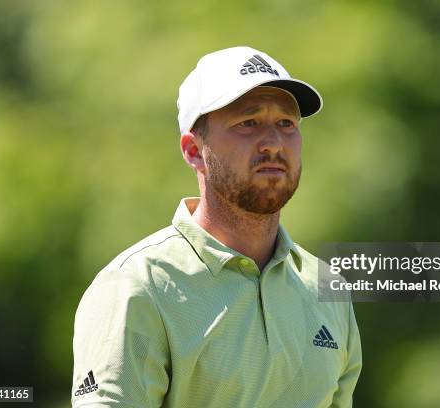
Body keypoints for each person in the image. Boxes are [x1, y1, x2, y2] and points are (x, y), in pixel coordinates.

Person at [72, 46, 362, 407]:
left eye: (286, 123)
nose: (273, 143)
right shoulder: (137, 287)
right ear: (194, 150)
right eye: (248, 123)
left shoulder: (327, 288)